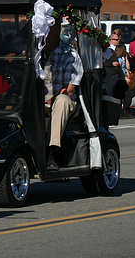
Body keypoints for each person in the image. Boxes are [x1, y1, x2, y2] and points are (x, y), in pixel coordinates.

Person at [42, 20, 84, 170]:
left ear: (55, 31)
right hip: (38, 99)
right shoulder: (34, 53)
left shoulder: (70, 54)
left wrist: (48, 102)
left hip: (61, 98)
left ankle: (51, 151)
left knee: (62, 101)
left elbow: (69, 89)